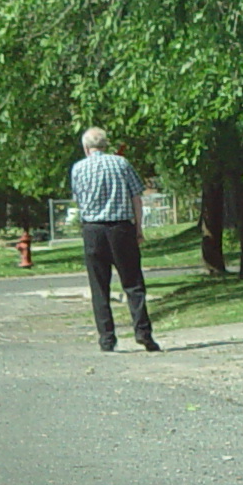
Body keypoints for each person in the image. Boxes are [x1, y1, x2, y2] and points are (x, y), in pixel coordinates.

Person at [70, 127, 160, 352]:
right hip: (121, 227)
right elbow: (136, 197)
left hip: (93, 230)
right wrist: (138, 229)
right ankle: (143, 332)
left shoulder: (79, 168)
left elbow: (78, 199)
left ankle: (107, 338)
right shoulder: (121, 164)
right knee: (133, 283)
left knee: (99, 286)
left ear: (85, 147)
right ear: (106, 145)